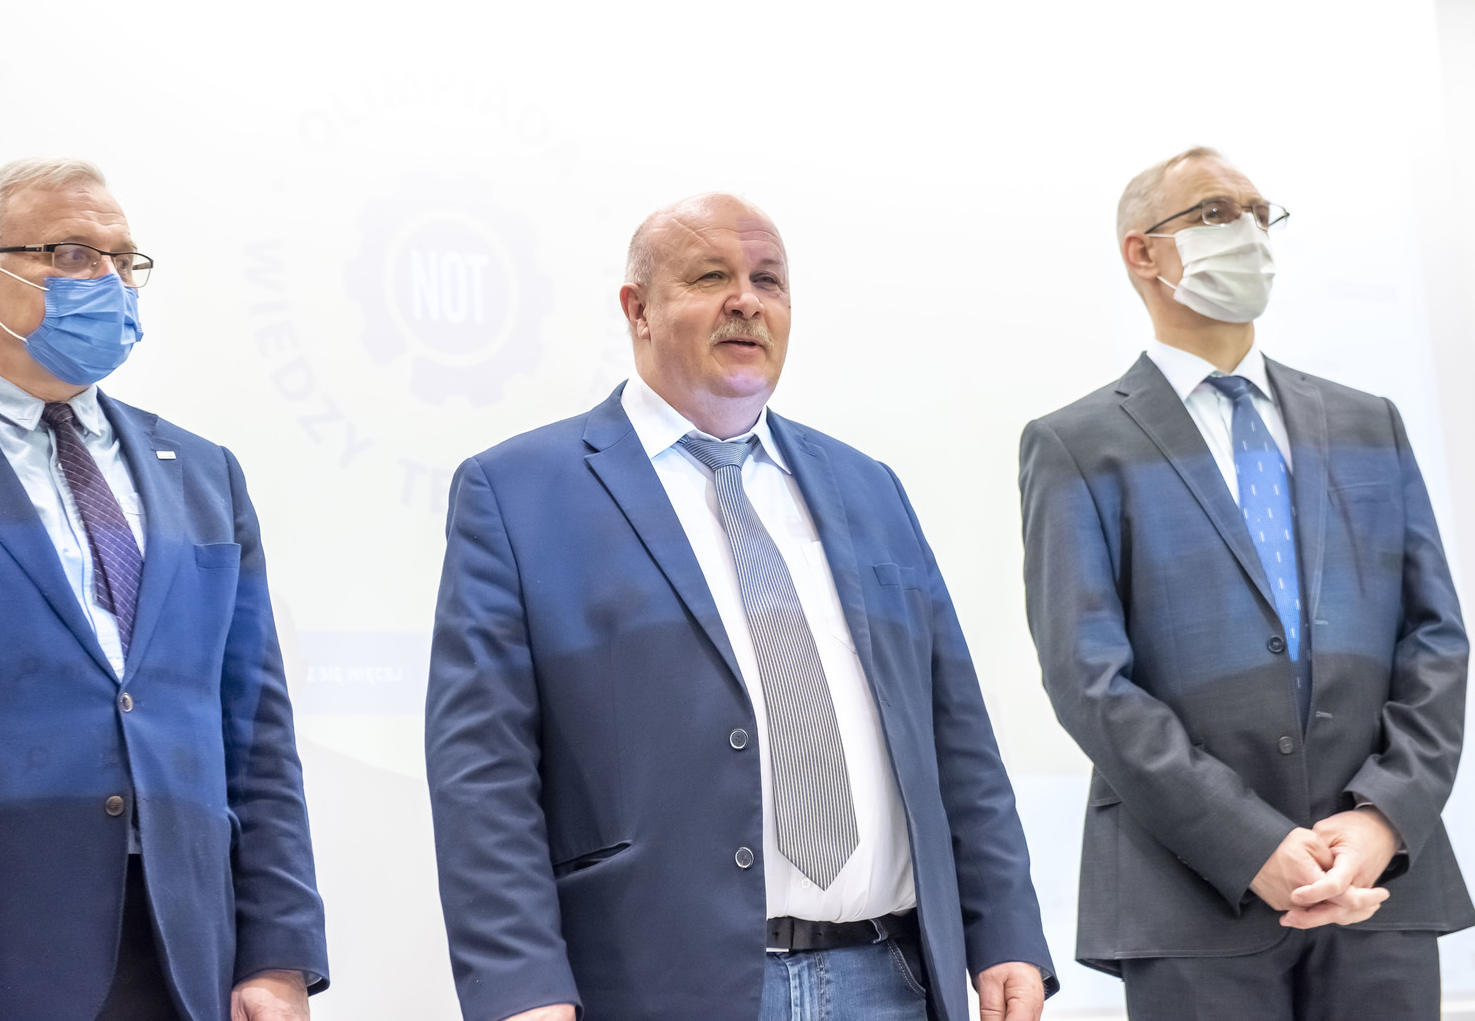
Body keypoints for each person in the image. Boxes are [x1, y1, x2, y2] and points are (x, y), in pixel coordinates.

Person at [426, 192, 1055, 1021]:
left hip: (892, 977)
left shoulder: (868, 487)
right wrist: (522, 988)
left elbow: (954, 732)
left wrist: (1004, 926)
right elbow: (483, 771)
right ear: (638, 309)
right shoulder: (518, 492)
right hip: (657, 989)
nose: (746, 300)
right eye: (709, 276)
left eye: (768, 279)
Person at [1018, 146, 1472, 1019]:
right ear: (1142, 252)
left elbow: (1435, 639)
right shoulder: (1075, 443)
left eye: (1261, 214)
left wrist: (1382, 816)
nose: (1251, 233)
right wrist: (1250, 842)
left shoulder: (1367, 421)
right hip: (1190, 894)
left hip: (1377, 887)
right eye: (1217, 213)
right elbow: (1088, 678)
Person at [0, 157, 328, 1020]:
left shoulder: (204, 474)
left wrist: (277, 954)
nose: (112, 283)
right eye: (75, 255)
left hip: (183, 955)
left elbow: (256, 736)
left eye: (125, 261)